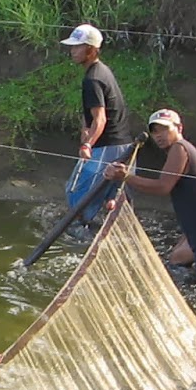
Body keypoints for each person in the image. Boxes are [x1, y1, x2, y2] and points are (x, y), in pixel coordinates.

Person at [105, 109, 196, 286]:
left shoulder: (179, 148)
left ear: (179, 128)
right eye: (155, 131)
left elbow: (163, 187)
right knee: (176, 259)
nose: (159, 136)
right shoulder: (184, 150)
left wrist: (126, 176)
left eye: (165, 129)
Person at [60, 23, 135, 235]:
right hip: (124, 146)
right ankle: (114, 234)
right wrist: (86, 127)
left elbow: (100, 119)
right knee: (113, 198)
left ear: (91, 50)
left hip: (107, 148)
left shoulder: (92, 79)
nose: (72, 51)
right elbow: (97, 115)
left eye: (78, 47)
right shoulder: (102, 71)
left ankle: (82, 234)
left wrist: (87, 144)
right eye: (72, 47)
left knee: (76, 192)